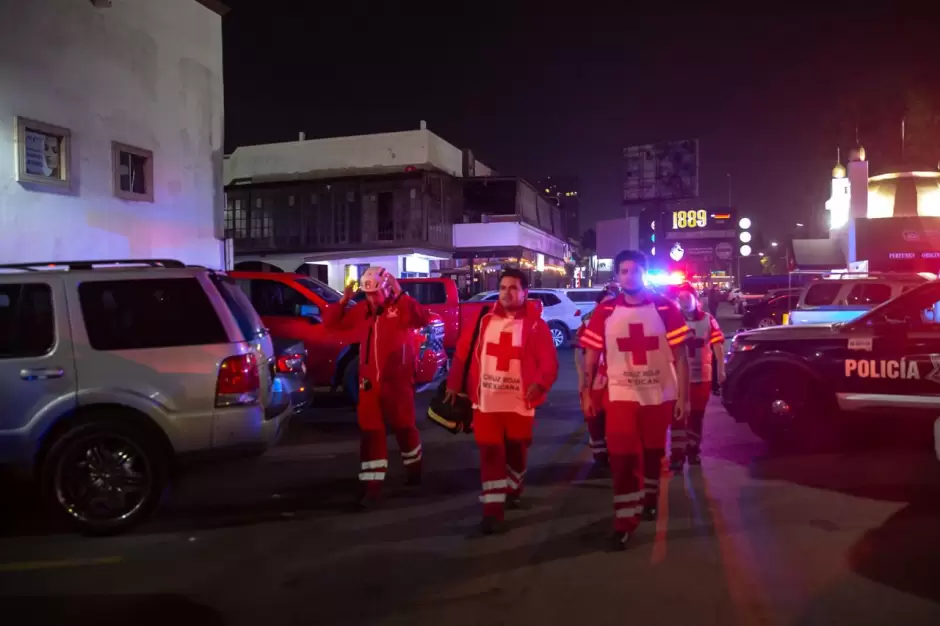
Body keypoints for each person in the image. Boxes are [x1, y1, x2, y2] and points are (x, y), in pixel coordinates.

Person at [580, 250, 691, 551]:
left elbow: (681, 357)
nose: (630, 276)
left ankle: (651, 498)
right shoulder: (604, 312)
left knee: (653, 454)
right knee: (623, 459)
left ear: (645, 273)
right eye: (624, 271)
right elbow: (590, 358)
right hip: (620, 396)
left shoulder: (667, 309)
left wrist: (685, 396)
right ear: (617, 275)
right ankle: (624, 521)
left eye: (636, 270)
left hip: (659, 395)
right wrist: (588, 392)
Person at [445, 268, 558, 535]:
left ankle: (514, 485)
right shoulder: (483, 320)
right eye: (504, 287)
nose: (508, 293)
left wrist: (540, 383)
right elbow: (462, 353)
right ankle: (492, 511)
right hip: (486, 402)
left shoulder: (535, 324)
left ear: (525, 292)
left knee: (517, 449)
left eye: (514, 288)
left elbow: (549, 362)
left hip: (520, 402)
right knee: (490, 452)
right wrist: (453, 384)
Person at [324, 266, 430, 508]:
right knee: (371, 433)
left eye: (376, 294)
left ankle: (415, 470)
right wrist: (343, 301)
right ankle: (372, 488)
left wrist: (401, 293)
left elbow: (421, 318)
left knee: (404, 427)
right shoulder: (362, 310)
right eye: (368, 294)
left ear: (386, 289)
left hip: (398, 382)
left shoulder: (399, 307)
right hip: (369, 383)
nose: (372, 299)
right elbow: (331, 324)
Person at [669, 283, 726, 470]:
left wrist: (721, 370)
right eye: (680, 298)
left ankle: (693, 451)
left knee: (696, 416)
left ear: (696, 300)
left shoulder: (708, 320)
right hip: (678, 379)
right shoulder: (673, 320)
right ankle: (676, 455)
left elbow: (717, 344)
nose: (683, 302)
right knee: (677, 417)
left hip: (702, 377)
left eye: (687, 297)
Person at [574, 284, 619, 465]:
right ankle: (599, 449)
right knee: (594, 413)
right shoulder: (588, 323)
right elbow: (579, 352)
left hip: (615, 375)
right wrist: (581, 376)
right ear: (597, 304)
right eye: (605, 303)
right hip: (595, 376)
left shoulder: (622, 321)